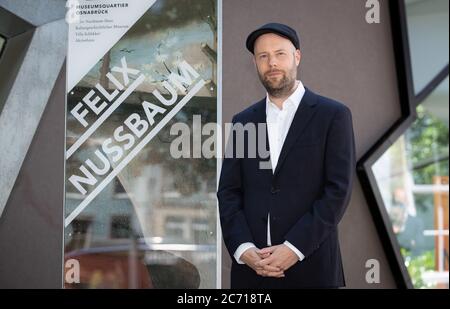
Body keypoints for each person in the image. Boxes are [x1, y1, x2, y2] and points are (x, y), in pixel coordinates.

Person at [217, 23, 356, 288]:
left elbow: (338, 190)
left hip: (313, 271)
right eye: (263, 56)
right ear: (255, 63)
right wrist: (243, 249)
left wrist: (294, 248)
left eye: (280, 54)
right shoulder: (243, 121)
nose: (272, 63)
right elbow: (229, 192)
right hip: (252, 274)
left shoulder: (333, 115)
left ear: (297, 57)